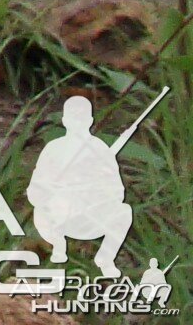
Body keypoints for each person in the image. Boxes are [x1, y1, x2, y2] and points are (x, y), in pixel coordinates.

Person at [26, 94, 134, 277]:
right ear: (65, 120)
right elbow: (35, 187)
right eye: (73, 117)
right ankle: (58, 248)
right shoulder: (53, 148)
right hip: (59, 215)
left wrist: (96, 192)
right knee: (45, 210)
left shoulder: (100, 150)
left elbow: (117, 190)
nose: (77, 122)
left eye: (81, 117)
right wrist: (53, 190)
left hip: (92, 215)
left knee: (124, 212)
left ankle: (105, 259)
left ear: (90, 120)